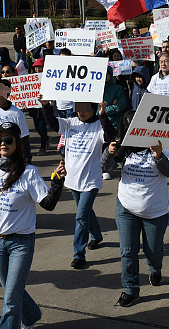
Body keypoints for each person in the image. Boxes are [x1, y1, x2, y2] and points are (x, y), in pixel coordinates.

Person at [0, 123, 66, 329]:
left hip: (20, 244)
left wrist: (57, 182)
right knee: (10, 290)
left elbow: (47, 203)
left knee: (9, 302)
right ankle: (32, 315)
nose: (3, 144)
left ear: (18, 144)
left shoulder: (28, 172)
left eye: (8, 140)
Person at [102, 112, 169, 307]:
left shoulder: (162, 143)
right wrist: (109, 153)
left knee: (153, 251)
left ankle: (155, 269)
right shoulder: (123, 147)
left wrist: (159, 156)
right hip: (126, 207)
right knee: (128, 251)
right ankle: (131, 289)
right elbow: (105, 168)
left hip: (155, 211)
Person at [41, 96, 116, 269]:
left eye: (84, 109)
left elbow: (110, 136)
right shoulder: (70, 122)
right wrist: (45, 106)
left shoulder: (99, 125)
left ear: (93, 108)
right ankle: (97, 236)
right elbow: (53, 124)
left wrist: (103, 115)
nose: (80, 113)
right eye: (78, 109)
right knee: (86, 212)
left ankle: (79, 254)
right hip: (72, 179)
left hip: (91, 181)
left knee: (81, 216)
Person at [28, 59, 50, 156]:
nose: (37, 69)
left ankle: (42, 147)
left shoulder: (48, 78)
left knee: (42, 127)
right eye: (36, 67)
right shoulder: (30, 79)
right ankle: (45, 139)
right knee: (37, 128)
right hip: (34, 108)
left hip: (43, 108)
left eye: (39, 67)